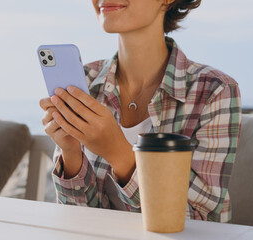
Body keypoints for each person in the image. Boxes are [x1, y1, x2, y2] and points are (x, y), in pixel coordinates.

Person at [39, 0, 241, 222]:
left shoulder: (214, 91)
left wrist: (119, 153)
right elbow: (78, 221)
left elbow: (201, 221)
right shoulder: (85, 82)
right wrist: (71, 152)